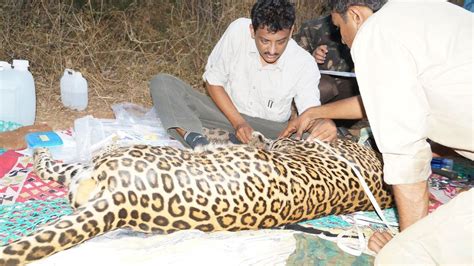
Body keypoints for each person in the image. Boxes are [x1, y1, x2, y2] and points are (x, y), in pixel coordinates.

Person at [280, 0, 473, 264]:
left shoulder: (375, 34)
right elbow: (382, 100)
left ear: (356, 15)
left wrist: (407, 243)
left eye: (338, 28)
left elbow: (407, 161)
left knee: (398, 257)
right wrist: (315, 112)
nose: (342, 40)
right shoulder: (419, 10)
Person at [149, 0, 336, 149]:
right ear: (252, 30)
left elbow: (310, 111)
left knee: (309, 137)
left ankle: (258, 145)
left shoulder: (304, 63)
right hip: (225, 113)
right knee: (163, 83)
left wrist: (324, 123)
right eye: (264, 41)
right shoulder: (238, 30)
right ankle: (197, 141)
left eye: (281, 42)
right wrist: (238, 123)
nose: (272, 50)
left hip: (270, 128)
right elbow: (213, 81)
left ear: (292, 31)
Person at [293, 13, 359, 104]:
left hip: (359, 95)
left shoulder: (374, 27)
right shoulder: (312, 27)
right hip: (323, 96)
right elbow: (293, 63)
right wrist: (311, 58)